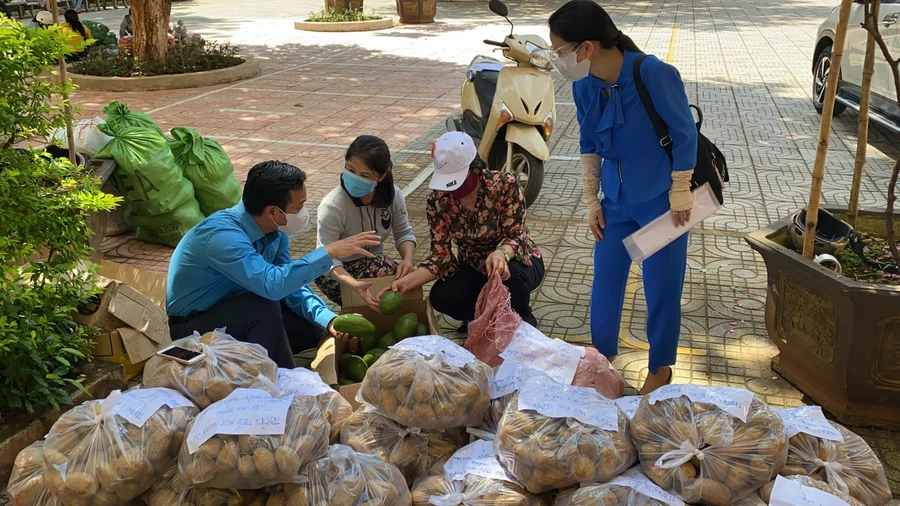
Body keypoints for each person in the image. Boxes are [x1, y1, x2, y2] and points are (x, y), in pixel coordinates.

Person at [548, 0, 697, 394]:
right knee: (607, 279)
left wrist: (681, 190)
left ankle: (660, 367)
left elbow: (685, 134)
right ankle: (601, 360)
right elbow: (587, 140)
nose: (559, 59)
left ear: (587, 47)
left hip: (661, 202)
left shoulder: (652, 73)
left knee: (661, 286)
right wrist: (591, 199)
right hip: (615, 202)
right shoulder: (584, 85)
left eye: (561, 50)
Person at [166, 160, 382, 368]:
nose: (303, 212)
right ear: (273, 212)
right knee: (264, 305)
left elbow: (291, 288)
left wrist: (330, 320)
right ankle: (286, 382)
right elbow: (273, 285)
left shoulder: (275, 233)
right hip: (192, 327)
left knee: (314, 325)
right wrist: (329, 252)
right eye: (299, 206)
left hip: (238, 309)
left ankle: (261, 354)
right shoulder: (222, 237)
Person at [380, 131, 544, 329]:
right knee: (441, 296)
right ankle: (483, 316)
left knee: (510, 275)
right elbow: (441, 257)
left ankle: (522, 321)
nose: (451, 190)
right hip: (474, 267)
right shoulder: (438, 201)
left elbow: (518, 235)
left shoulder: (504, 185)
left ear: (474, 169)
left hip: (516, 260)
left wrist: (501, 253)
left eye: (455, 180)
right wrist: (406, 283)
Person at [315, 135, 417, 309]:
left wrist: (408, 261)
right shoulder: (333, 205)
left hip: (374, 263)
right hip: (335, 272)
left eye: (364, 175)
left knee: (402, 279)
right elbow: (324, 257)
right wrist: (353, 284)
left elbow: (404, 233)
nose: (355, 178)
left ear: (381, 176)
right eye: (350, 170)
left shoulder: (392, 195)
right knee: (383, 269)